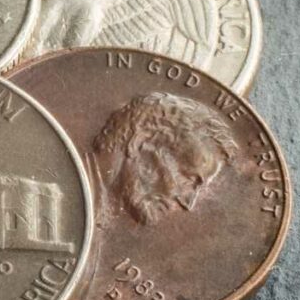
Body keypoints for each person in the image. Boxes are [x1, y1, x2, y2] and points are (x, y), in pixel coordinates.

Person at [92, 91, 238, 227]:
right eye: (189, 179)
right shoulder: (83, 194)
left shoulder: (98, 206)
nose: (187, 203)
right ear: (142, 141)